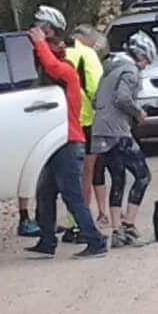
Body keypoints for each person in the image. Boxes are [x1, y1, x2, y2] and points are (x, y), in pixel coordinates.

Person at [28, 7, 110, 256]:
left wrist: (40, 44)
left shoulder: (66, 72)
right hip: (57, 142)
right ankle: (47, 240)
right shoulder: (55, 70)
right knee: (45, 193)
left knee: (72, 195)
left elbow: (52, 67)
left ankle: (95, 240)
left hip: (67, 141)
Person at [90, 30, 156, 247]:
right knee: (143, 176)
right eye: (146, 60)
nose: (146, 66)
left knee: (118, 178)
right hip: (118, 131)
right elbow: (123, 98)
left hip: (100, 131)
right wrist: (138, 113)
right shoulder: (130, 71)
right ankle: (129, 224)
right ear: (140, 55)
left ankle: (116, 230)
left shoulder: (109, 69)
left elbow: (95, 99)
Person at [68, 25, 109, 222]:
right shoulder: (86, 54)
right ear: (87, 39)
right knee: (87, 172)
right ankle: (83, 221)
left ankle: (71, 219)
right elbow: (96, 87)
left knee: (67, 173)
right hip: (86, 119)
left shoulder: (58, 53)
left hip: (61, 120)